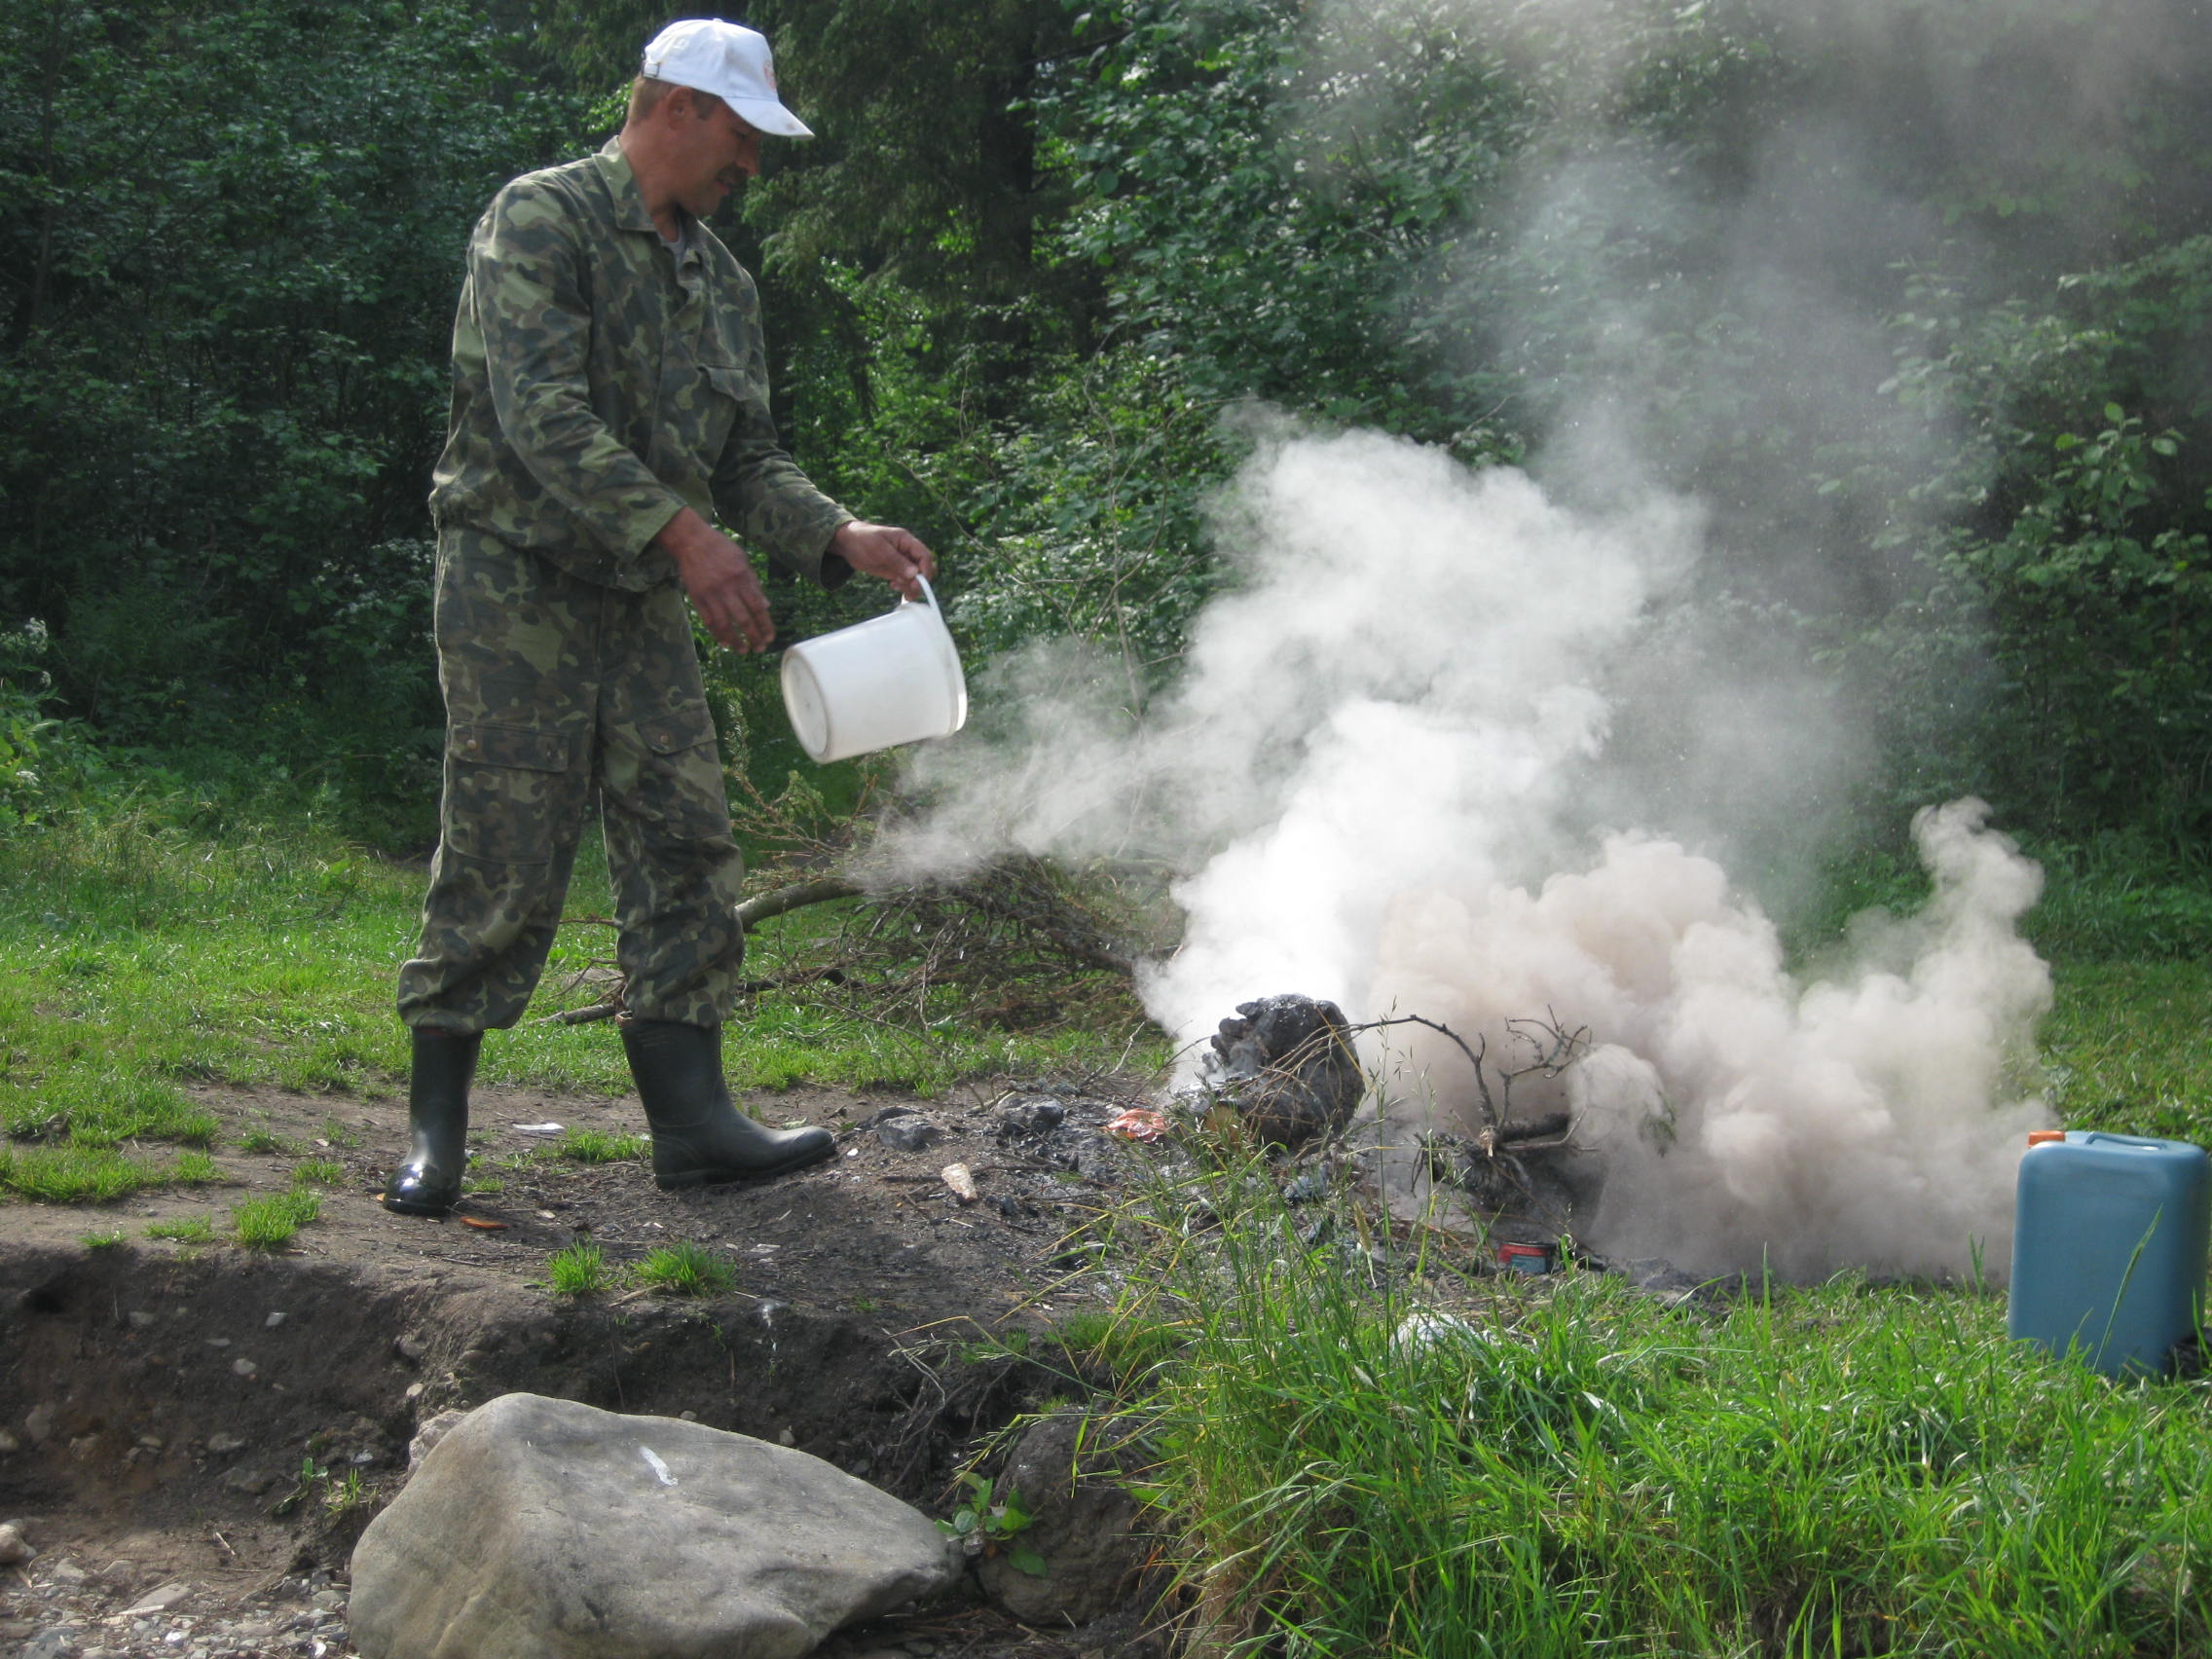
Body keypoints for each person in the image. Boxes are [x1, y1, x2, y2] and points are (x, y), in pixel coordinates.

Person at [385, 19, 933, 1216]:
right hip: (515, 576)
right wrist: (685, 537)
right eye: (742, 138)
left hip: (637, 597)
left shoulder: (722, 284)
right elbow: (538, 412)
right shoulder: (540, 218)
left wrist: (836, 534)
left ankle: (692, 1127)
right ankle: (437, 1134)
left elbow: (749, 462)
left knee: (685, 838)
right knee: (506, 843)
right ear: (677, 106)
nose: (753, 168)